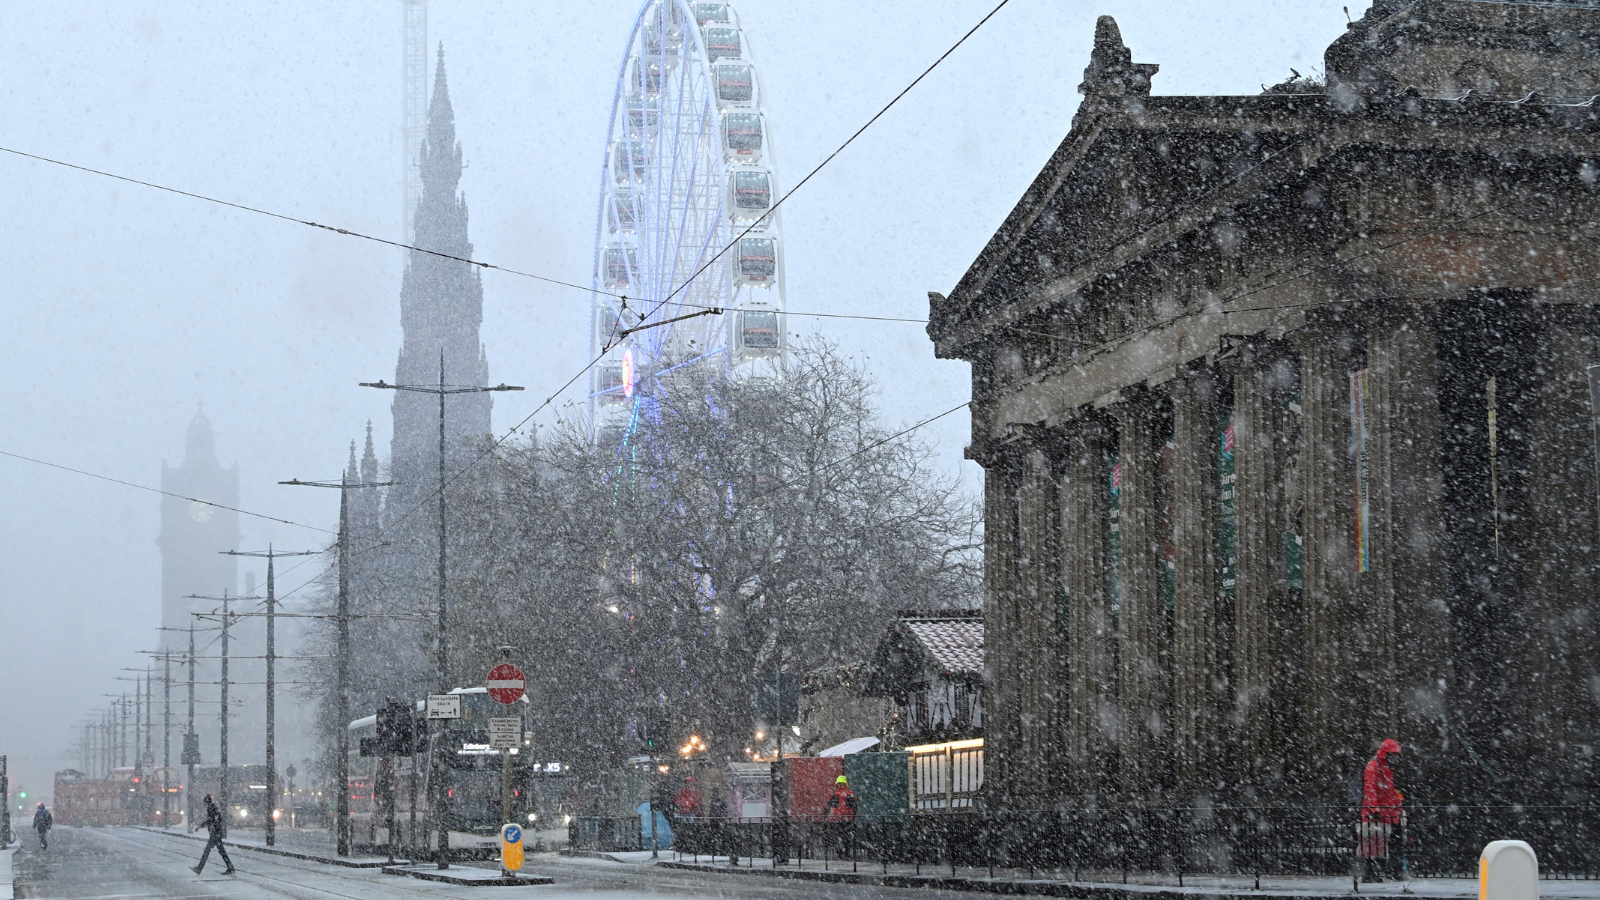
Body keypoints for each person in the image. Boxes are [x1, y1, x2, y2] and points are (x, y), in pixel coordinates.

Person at [1359, 739, 1404, 883]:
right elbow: (1370, 789)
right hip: (1380, 812)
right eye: (1393, 754)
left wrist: (1398, 808)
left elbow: (1389, 791)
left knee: (1383, 843)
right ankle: (1372, 873)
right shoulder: (1375, 766)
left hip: (1388, 812)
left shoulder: (1385, 767)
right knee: (1374, 844)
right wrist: (1374, 809)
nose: (1395, 758)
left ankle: (1387, 872)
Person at [190, 794, 235, 876]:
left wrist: (201, 826)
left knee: (207, 851)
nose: (204, 805)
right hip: (216, 833)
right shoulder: (213, 809)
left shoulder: (212, 809)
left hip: (215, 834)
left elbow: (211, 821)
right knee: (221, 852)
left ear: (207, 802)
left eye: (205, 803)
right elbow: (213, 820)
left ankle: (199, 868)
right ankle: (230, 868)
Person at [825, 774, 857, 857]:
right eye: (839, 784)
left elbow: (829, 806)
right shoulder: (848, 794)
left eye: (841, 783)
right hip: (843, 819)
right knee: (844, 837)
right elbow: (854, 807)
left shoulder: (836, 794)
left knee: (841, 837)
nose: (840, 785)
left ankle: (842, 853)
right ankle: (844, 853)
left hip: (840, 819)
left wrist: (828, 817)